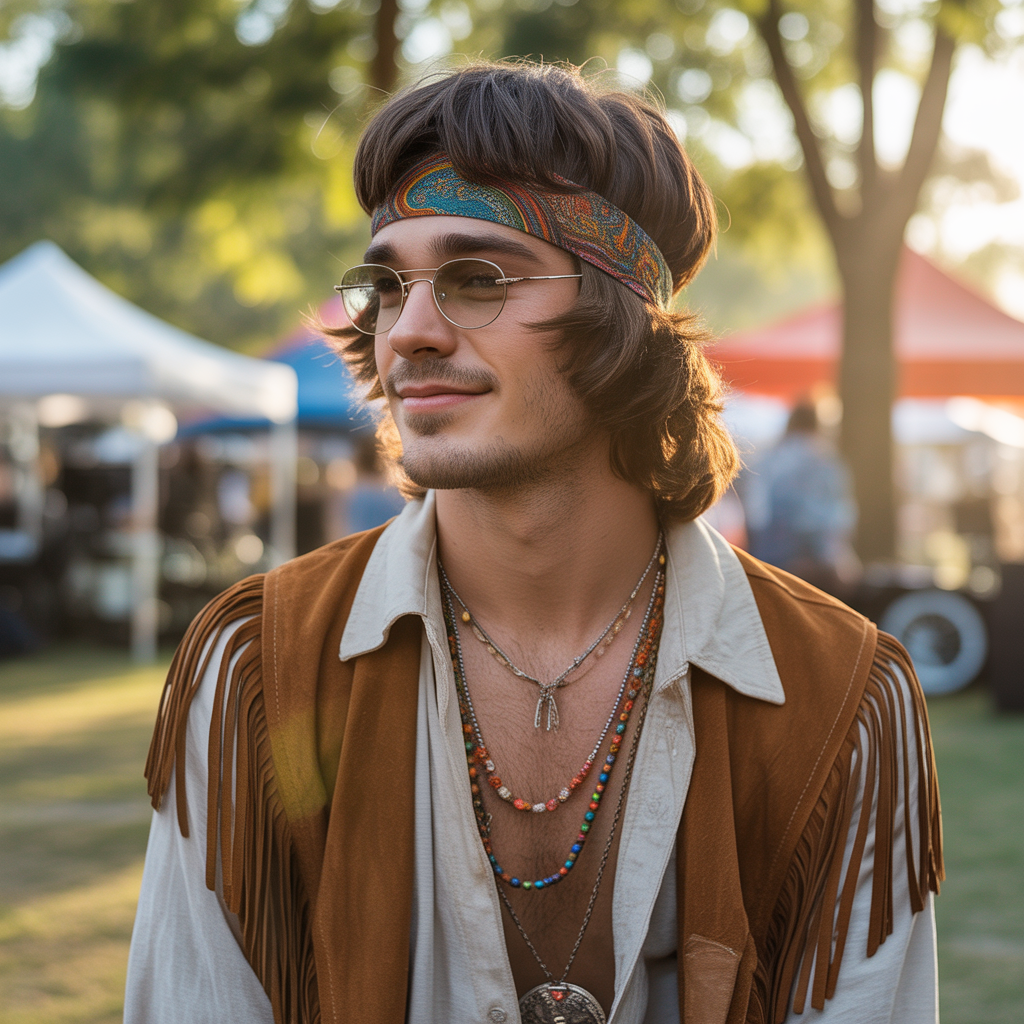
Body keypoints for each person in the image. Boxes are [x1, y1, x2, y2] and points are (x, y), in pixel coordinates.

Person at [125, 62, 942, 1024]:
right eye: (387, 285)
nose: (409, 333)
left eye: (478, 279)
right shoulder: (261, 668)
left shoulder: (839, 693)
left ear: (621, 319)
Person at [744, 402, 859, 597]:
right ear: (818, 426)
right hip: (823, 565)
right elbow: (841, 517)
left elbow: (755, 515)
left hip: (773, 564)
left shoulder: (768, 459)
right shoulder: (827, 459)